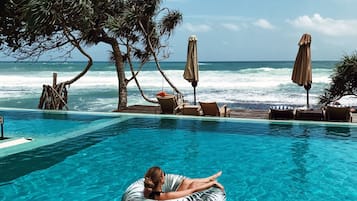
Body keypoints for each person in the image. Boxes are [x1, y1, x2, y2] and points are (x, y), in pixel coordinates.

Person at [143, 166, 224, 200]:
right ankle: (211, 180)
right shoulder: (164, 195)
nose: (165, 175)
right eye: (164, 174)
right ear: (161, 179)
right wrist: (212, 184)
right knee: (193, 185)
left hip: (168, 197)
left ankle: (209, 178)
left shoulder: (147, 191)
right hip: (178, 200)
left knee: (185, 182)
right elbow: (193, 191)